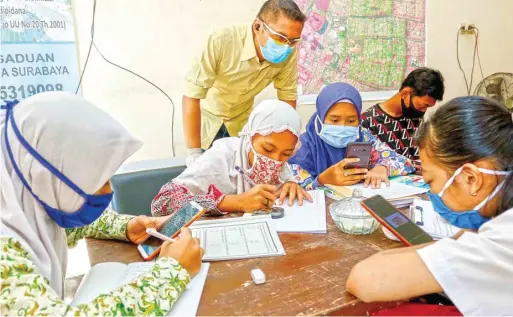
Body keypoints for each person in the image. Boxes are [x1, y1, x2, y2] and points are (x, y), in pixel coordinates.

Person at [0, 93, 203, 316]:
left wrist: (125, 226)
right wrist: (172, 272)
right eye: (99, 180)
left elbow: (57, 228)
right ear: (49, 177)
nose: (109, 191)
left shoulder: (21, 201)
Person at [346, 96, 513, 316]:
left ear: (471, 179)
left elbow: (364, 279)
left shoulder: (499, 244)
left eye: (431, 181)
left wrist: (459, 240)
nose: (431, 192)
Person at [183, 0, 305, 167]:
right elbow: (192, 95)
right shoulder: (221, 40)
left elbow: (288, 99)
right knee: (205, 180)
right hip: (206, 122)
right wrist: (194, 152)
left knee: (240, 180)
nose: (286, 46)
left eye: (293, 41)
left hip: (241, 125)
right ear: (257, 27)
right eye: (280, 38)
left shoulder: (289, 52)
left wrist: (284, 144)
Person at [151, 100, 311, 217]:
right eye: (268, 149)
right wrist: (237, 202)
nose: (275, 160)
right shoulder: (221, 157)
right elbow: (163, 203)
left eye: (286, 154)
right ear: (249, 138)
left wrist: (290, 185)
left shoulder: (282, 168)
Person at [288, 83, 416, 190]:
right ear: (320, 118)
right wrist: (321, 181)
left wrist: (382, 168)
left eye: (351, 121)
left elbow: (405, 162)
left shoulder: (363, 137)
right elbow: (289, 187)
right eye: (334, 120)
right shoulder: (301, 147)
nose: (342, 127)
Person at [361, 68, 445, 165]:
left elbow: (419, 156)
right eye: (423, 105)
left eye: (428, 107)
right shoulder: (368, 121)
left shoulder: (415, 117)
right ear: (405, 93)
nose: (423, 110)